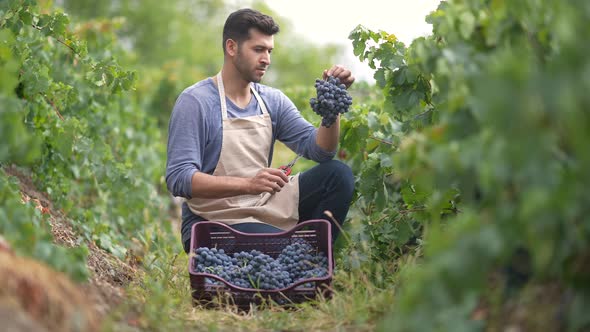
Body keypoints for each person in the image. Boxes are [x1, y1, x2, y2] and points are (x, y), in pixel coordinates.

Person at [166, 8, 355, 254]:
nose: (267, 58)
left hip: (264, 206)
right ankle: (300, 261)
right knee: (286, 248)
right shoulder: (196, 102)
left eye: (269, 50)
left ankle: (311, 262)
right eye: (258, 49)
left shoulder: (272, 100)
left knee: (338, 175)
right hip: (214, 221)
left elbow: (321, 151)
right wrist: (248, 184)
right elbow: (179, 179)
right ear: (232, 48)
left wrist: (334, 102)